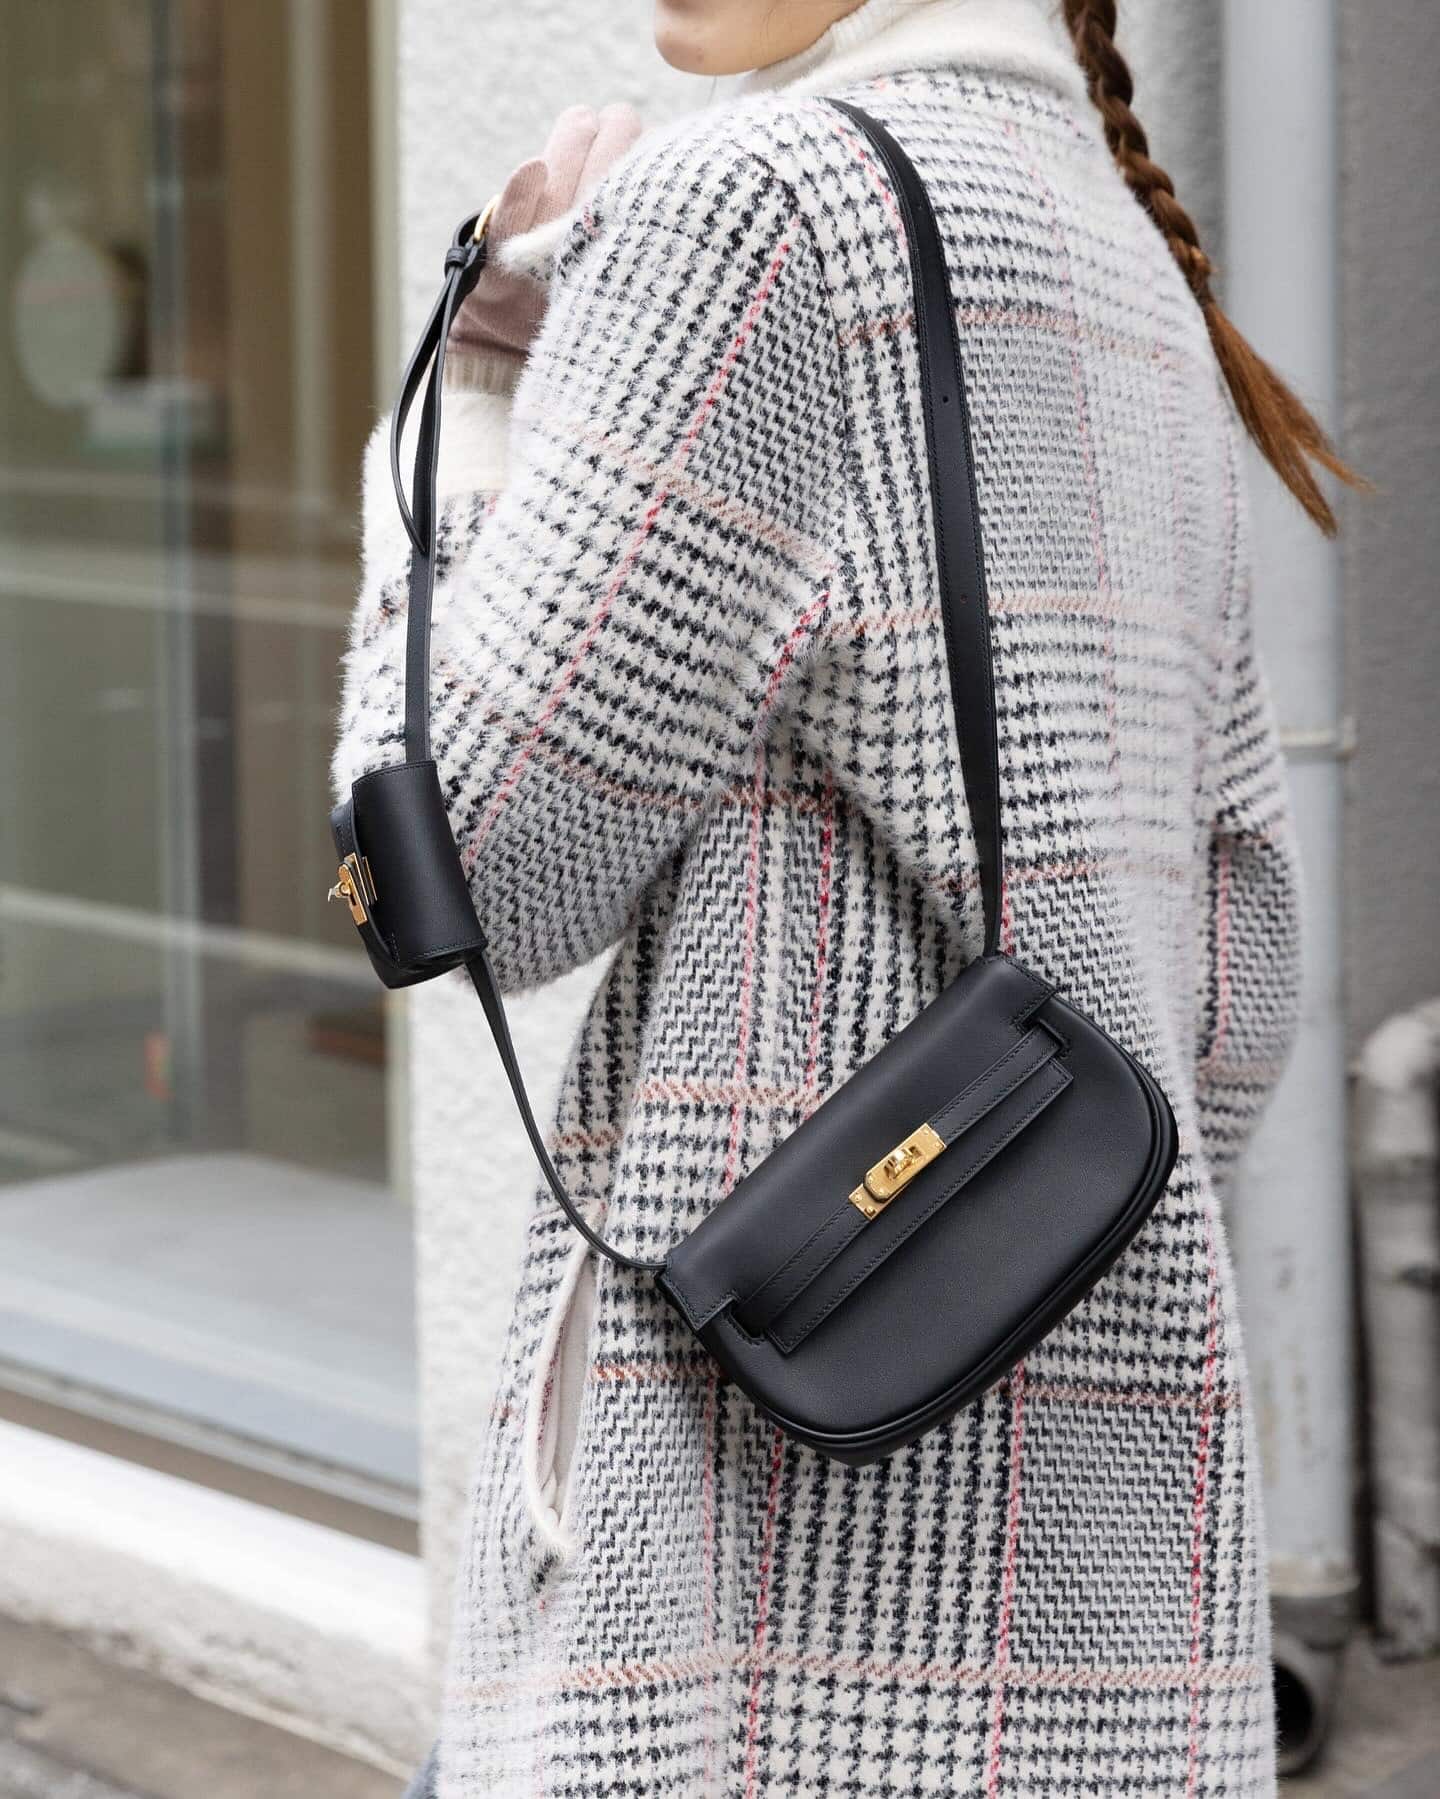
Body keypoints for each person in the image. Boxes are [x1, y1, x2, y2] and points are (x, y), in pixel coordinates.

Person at [338, 3, 1362, 1793]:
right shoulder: (1122, 250)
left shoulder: (756, 212)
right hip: (1103, 1581)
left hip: (754, 1597)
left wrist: (480, 404)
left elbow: (466, 871)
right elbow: (1242, 970)